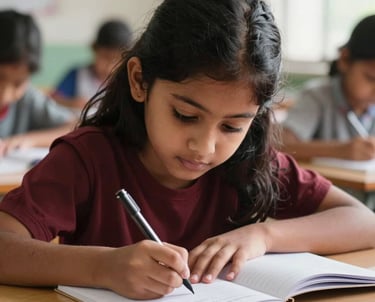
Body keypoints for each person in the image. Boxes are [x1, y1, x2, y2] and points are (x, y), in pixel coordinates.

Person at [0, 0, 374, 300]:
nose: (205, 146)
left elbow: (364, 221)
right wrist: (103, 267)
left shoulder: (249, 163)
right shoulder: (87, 159)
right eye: (184, 115)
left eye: (232, 126)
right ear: (139, 81)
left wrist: (263, 236)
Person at [281, 15, 375, 161]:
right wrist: (341, 150)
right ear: (344, 60)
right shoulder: (317, 96)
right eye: (371, 78)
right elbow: (281, 145)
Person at [0, 10, 76, 156]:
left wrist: (28, 140)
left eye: (18, 84)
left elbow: (76, 126)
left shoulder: (29, 99)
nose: (5, 95)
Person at [51, 19, 133, 111]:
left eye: (117, 60)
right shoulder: (77, 75)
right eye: (105, 57)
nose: (109, 67)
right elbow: (51, 101)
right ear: (94, 49)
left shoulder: (128, 82)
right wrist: (70, 103)